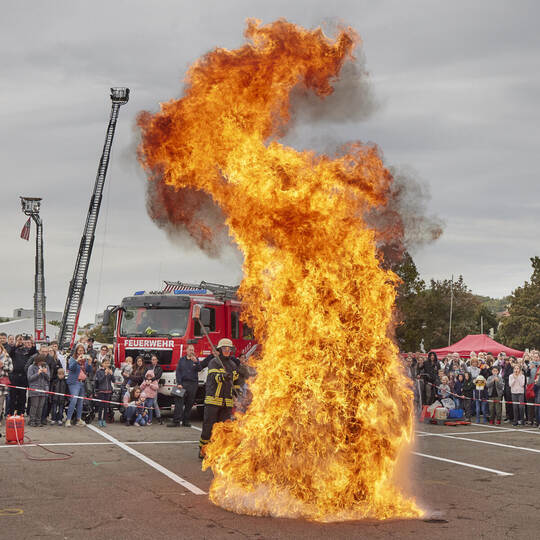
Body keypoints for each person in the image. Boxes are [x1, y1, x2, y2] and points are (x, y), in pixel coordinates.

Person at [199, 339, 239, 458]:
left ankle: (219, 451)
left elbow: (235, 381)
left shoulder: (233, 365)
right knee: (208, 427)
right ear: (220, 350)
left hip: (227, 402)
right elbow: (213, 377)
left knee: (224, 428)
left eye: (229, 348)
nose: (227, 350)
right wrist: (223, 376)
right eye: (224, 348)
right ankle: (203, 450)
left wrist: (236, 391)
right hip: (213, 400)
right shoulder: (214, 362)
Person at [168, 344, 209, 428]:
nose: (191, 351)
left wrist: (196, 362)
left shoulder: (195, 360)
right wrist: (179, 383)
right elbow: (178, 372)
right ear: (186, 350)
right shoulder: (182, 360)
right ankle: (176, 421)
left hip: (193, 384)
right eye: (190, 350)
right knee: (179, 403)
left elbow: (200, 369)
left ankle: (185, 421)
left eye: (193, 350)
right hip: (182, 384)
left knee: (189, 403)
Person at [8, 335, 36, 415]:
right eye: (20, 340)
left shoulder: (28, 351)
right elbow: (10, 353)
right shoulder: (15, 350)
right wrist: (17, 344)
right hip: (14, 376)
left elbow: (34, 352)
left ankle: (21, 412)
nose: (21, 342)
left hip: (24, 377)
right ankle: (11, 412)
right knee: (13, 396)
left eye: (22, 340)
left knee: (22, 396)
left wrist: (32, 342)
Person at [65, 344, 91, 427]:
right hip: (74, 382)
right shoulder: (72, 359)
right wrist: (77, 360)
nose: (81, 352)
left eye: (82, 351)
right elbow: (71, 368)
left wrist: (89, 363)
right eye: (79, 350)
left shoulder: (85, 360)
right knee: (74, 400)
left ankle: (78, 419)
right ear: (76, 351)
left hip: (82, 382)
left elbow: (88, 370)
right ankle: (68, 419)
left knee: (80, 402)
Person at [27, 353, 50, 427]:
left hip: (43, 389)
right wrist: (38, 373)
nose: (42, 363)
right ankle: (32, 420)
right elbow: (30, 378)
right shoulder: (31, 367)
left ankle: (38, 421)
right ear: (37, 361)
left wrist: (45, 373)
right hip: (34, 389)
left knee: (40, 406)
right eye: (40, 361)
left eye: (43, 361)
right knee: (34, 406)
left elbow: (49, 378)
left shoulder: (46, 366)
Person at [95, 359, 114, 427]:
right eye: (105, 363)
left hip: (108, 390)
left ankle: (104, 420)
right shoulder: (99, 371)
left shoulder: (110, 370)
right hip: (101, 391)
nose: (107, 365)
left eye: (108, 363)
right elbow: (99, 381)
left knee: (106, 407)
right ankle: (100, 420)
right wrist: (105, 374)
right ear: (102, 364)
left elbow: (113, 381)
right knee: (101, 407)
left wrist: (112, 374)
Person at [145, 355, 164, 424]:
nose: (153, 361)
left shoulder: (159, 368)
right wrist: (146, 380)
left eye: (155, 359)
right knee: (146, 401)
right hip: (146, 386)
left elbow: (158, 376)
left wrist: (151, 380)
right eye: (152, 359)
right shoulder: (148, 367)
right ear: (151, 360)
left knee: (154, 402)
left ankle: (159, 417)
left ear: (157, 360)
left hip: (154, 386)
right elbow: (144, 375)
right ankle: (146, 417)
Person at [0, 344, 13, 425]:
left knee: (0, 403)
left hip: (2, 383)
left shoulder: (7, 357)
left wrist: (3, 366)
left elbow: (11, 369)